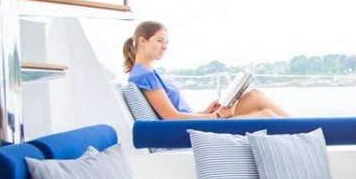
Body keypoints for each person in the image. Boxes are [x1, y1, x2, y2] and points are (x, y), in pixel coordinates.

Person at [122, 21, 289, 119]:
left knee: (255, 96)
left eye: (166, 41)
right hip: (194, 129)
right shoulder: (144, 75)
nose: (165, 46)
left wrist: (205, 111)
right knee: (265, 114)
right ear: (142, 41)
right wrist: (215, 116)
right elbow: (171, 117)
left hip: (199, 121)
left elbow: (178, 113)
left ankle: (311, 132)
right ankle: (312, 134)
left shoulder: (148, 73)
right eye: (159, 40)